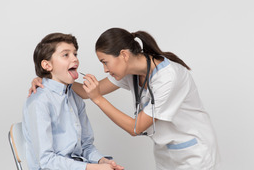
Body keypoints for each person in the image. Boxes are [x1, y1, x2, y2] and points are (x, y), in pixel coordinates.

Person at [30, 28, 220, 170]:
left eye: (105, 62)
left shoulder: (169, 76)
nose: (104, 69)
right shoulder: (131, 72)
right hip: (166, 152)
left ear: (123, 55)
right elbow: (87, 92)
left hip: (195, 153)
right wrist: (46, 80)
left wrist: (98, 99)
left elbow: (135, 128)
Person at [23, 32, 124, 170]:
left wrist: (101, 161)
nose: (75, 59)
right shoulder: (39, 102)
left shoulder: (75, 98)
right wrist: (91, 168)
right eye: (66, 55)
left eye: (75, 54)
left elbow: (86, 146)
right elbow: (46, 161)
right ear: (47, 65)